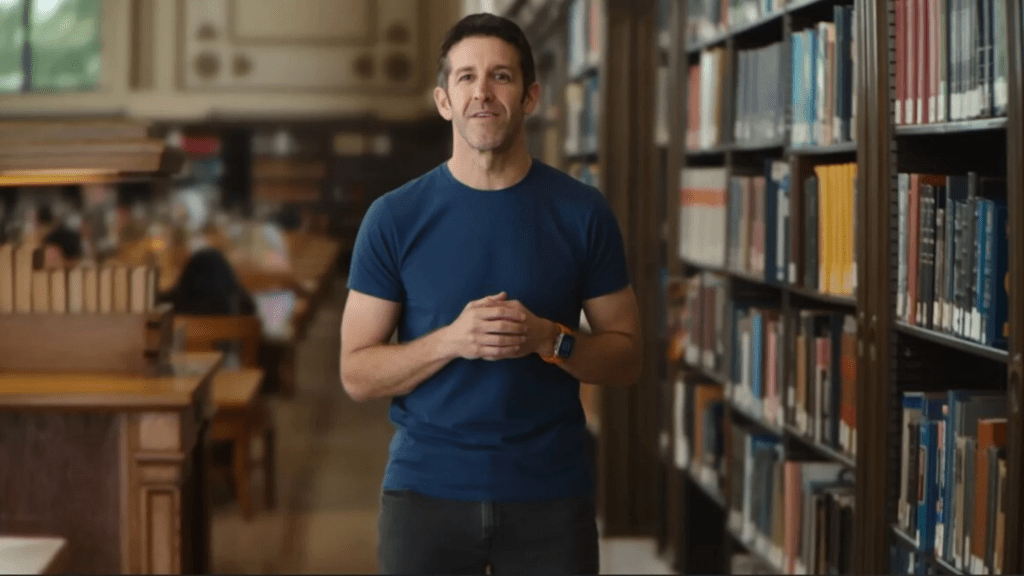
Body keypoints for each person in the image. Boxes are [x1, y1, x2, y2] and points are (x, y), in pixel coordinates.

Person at [340, 12, 642, 575]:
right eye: (466, 78)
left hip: (551, 496)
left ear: (530, 97)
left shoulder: (582, 213)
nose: (482, 92)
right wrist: (451, 341)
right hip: (424, 494)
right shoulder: (394, 218)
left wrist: (552, 338)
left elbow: (626, 358)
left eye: (501, 77)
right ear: (443, 100)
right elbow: (356, 373)